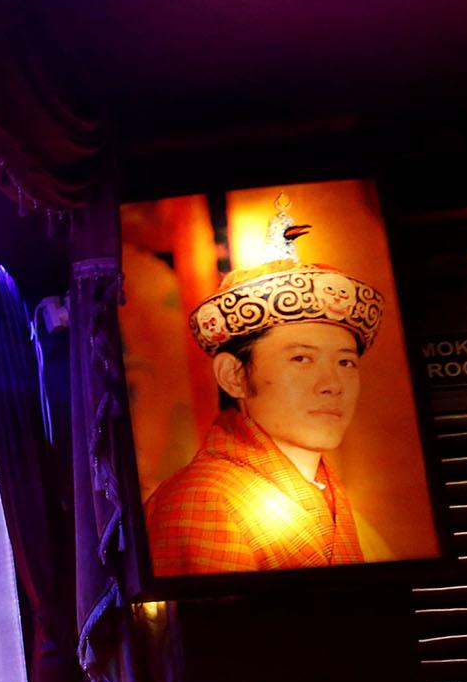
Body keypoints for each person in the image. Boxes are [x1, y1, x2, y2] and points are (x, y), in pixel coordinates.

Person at [146, 195, 387, 577]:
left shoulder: (329, 493)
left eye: (345, 362)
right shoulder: (201, 501)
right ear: (234, 375)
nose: (332, 385)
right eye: (301, 359)